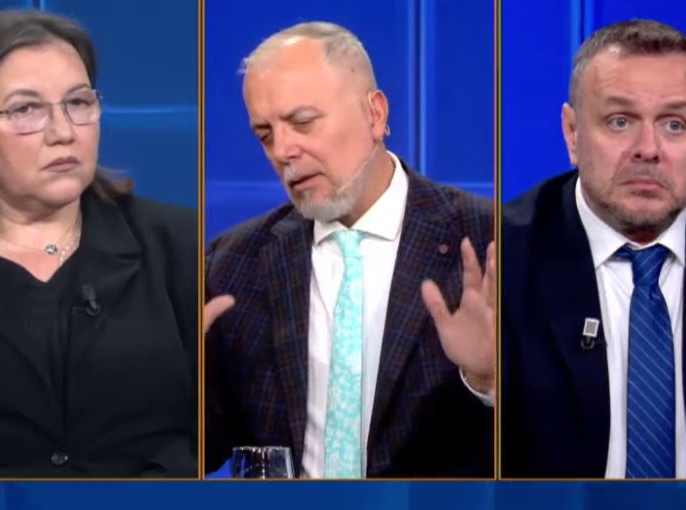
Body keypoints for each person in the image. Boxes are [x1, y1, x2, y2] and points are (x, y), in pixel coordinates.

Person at [0, 10, 197, 478]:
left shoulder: (177, 244)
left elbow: (214, 436)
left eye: (78, 103)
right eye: (26, 110)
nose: (63, 132)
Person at [204, 21, 494, 478]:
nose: (283, 150)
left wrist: (487, 380)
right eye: (265, 134)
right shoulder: (234, 265)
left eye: (303, 122)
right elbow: (194, 451)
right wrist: (174, 388)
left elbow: (556, 450)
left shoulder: (488, 242)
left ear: (375, 114)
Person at [501, 19, 686, 478]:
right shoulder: (503, 253)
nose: (648, 149)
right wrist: (477, 382)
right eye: (620, 122)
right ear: (572, 133)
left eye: (674, 125)